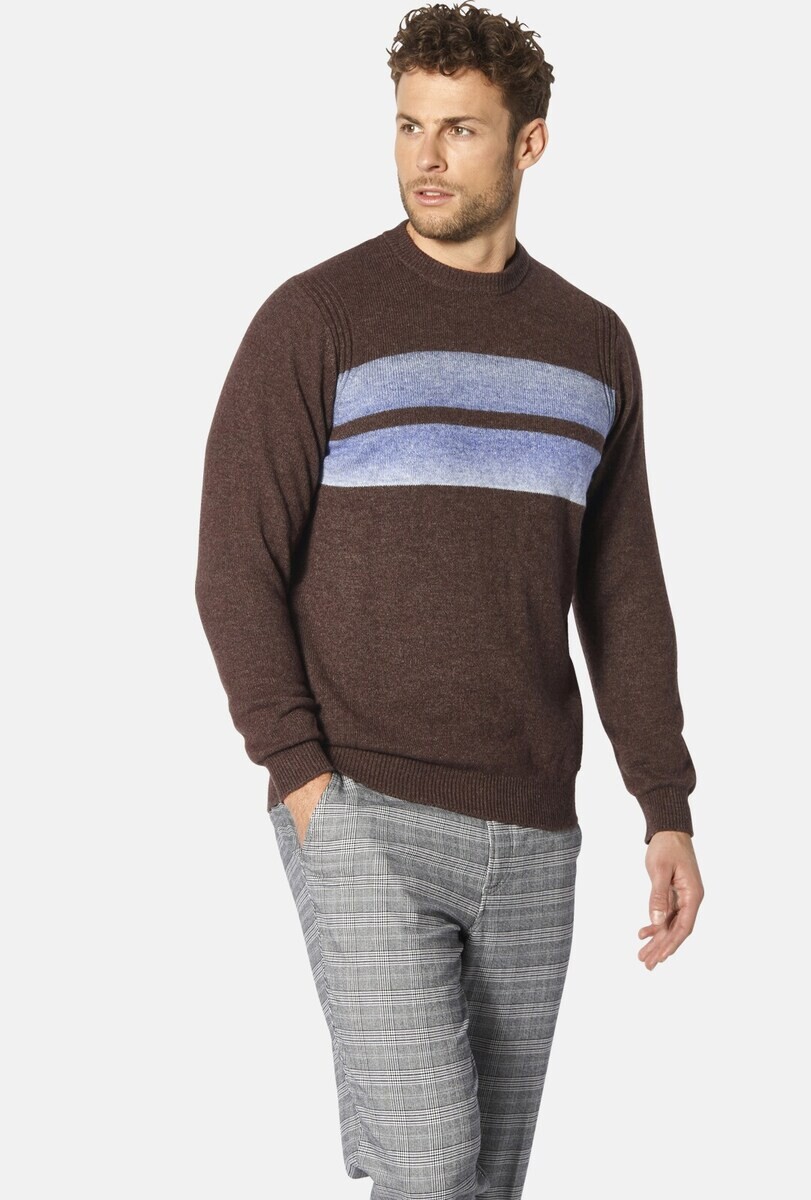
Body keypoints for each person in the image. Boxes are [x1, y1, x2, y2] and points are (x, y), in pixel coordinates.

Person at [195, 4, 704, 1196]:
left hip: (533, 828)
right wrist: (304, 780)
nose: (424, 156)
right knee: (429, 1166)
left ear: (529, 143)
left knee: (485, 1183)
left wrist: (665, 804)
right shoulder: (318, 319)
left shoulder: (592, 345)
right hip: (362, 807)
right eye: (408, 126)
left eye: (459, 130)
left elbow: (623, 589)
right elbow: (233, 564)